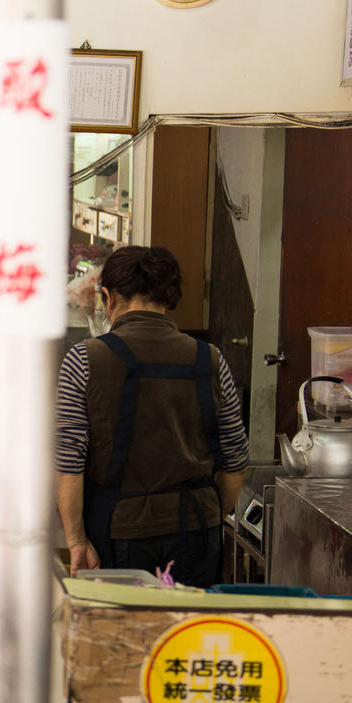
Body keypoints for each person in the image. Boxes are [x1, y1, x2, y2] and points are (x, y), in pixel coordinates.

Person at [55, 245, 248, 587]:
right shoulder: (212, 360)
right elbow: (235, 460)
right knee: (183, 637)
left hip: (119, 531)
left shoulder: (84, 358)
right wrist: (209, 518)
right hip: (196, 531)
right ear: (168, 300)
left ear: (107, 299)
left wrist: (77, 541)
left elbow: (69, 463)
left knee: (124, 638)